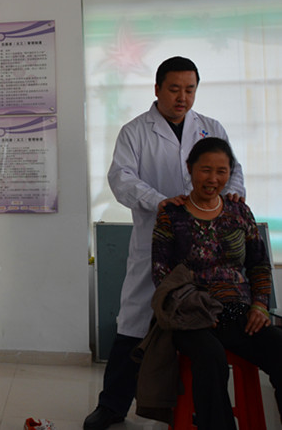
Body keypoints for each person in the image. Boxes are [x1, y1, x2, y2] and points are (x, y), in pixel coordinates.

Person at [84, 56, 246, 430]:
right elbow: (121, 178)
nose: (182, 97)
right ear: (157, 89)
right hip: (155, 240)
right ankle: (112, 406)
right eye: (174, 89)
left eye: (190, 89)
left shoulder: (211, 128)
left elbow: (232, 171)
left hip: (207, 247)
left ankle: (200, 407)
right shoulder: (135, 132)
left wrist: (232, 197)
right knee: (135, 321)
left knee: (205, 322)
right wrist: (159, 201)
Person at [150, 137, 281, 429]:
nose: (213, 179)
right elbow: (161, 273)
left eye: (221, 171)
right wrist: (194, 310)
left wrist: (260, 305)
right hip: (189, 317)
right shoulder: (171, 215)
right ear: (189, 168)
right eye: (205, 170)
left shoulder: (239, 212)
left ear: (230, 172)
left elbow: (259, 264)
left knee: (279, 347)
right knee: (211, 359)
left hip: (237, 313)